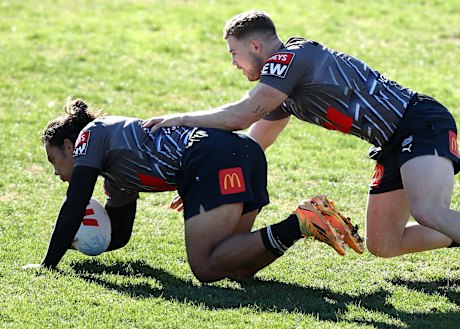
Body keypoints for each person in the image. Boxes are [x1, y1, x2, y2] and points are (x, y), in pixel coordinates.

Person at [141, 10, 460, 301]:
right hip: (393, 141)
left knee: (428, 208)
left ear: (256, 46)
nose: (233, 62)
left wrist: (179, 118)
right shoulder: (282, 86)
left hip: (419, 123)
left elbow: (244, 114)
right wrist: (211, 180)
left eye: (234, 53)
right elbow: (254, 138)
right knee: (384, 242)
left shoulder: (288, 60)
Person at [31, 98, 365, 283]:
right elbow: (118, 236)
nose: (57, 172)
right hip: (243, 152)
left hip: (213, 158)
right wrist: (81, 239)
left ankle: (299, 222)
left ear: (69, 144)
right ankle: (308, 219)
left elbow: (74, 203)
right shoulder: (117, 175)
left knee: (204, 268)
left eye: (54, 160)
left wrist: (49, 265)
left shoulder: (91, 136)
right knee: (233, 266)